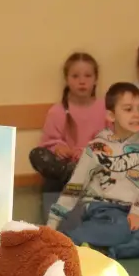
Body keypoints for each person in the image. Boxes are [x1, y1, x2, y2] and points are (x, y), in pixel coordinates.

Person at [46, 83, 139, 258]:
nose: (137, 115)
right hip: (102, 209)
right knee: (121, 226)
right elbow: (76, 185)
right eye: (128, 109)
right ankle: (71, 239)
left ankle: (109, 251)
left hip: (132, 210)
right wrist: (53, 222)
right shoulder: (97, 147)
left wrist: (137, 212)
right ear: (111, 115)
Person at [31, 52, 102, 191]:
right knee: (37, 155)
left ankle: (80, 179)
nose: (82, 81)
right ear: (67, 79)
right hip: (65, 168)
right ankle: (70, 175)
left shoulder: (105, 109)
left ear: (95, 79)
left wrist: (86, 152)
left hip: (94, 167)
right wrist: (58, 148)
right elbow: (47, 143)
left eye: (88, 76)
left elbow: (112, 142)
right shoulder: (57, 111)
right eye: (75, 76)